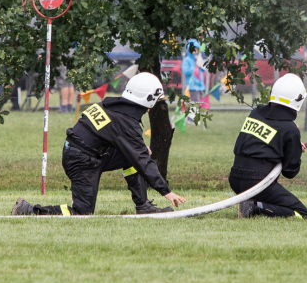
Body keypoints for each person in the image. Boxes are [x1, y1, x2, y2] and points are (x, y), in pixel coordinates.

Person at [12, 72, 187, 216]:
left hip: (86, 153)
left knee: (135, 155)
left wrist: (138, 149)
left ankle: (143, 206)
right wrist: (166, 191)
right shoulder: (125, 121)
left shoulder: (115, 106)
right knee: (82, 212)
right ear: (149, 99)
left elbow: (126, 147)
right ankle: (29, 210)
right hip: (81, 160)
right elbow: (142, 159)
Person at [233, 73, 307, 218]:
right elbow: (290, 172)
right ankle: (254, 207)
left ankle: (251, 203)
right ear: (299, 99)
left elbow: (260, 144)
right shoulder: (290, 129)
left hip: (235, 179)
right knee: (303, 214)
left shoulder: (255, 113)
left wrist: (290, 146)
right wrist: (293, 151)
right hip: (258, 183)